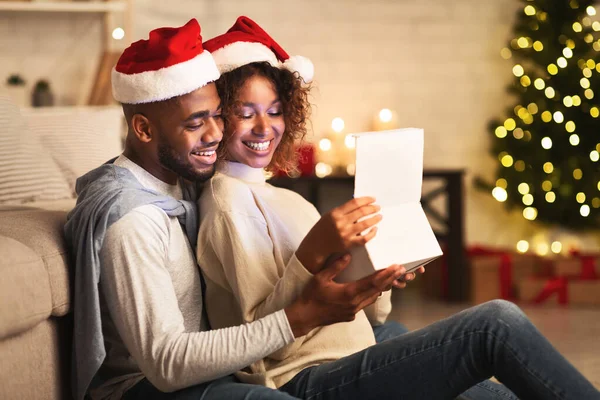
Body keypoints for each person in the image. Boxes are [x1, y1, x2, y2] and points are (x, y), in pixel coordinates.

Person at [198, 16, 600, 400]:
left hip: (353, 354)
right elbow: (262, 346)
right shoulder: (227, 201)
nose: (264, 128)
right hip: (304, 379)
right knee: (495, 324)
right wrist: (310, 255)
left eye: (274, 112)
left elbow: (366, 321)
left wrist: (380, 275)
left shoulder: (287, 198)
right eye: (246, 114)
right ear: (218, 119)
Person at [64, 19, 405, 400]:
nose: (215, 134)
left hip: (212, 368)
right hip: (147, 388)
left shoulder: (183, 181)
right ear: (143, 130)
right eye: (196, 123)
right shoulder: (133, 219)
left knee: (402, 339)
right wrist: (299, 316)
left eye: (217, 115)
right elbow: (165, 364)